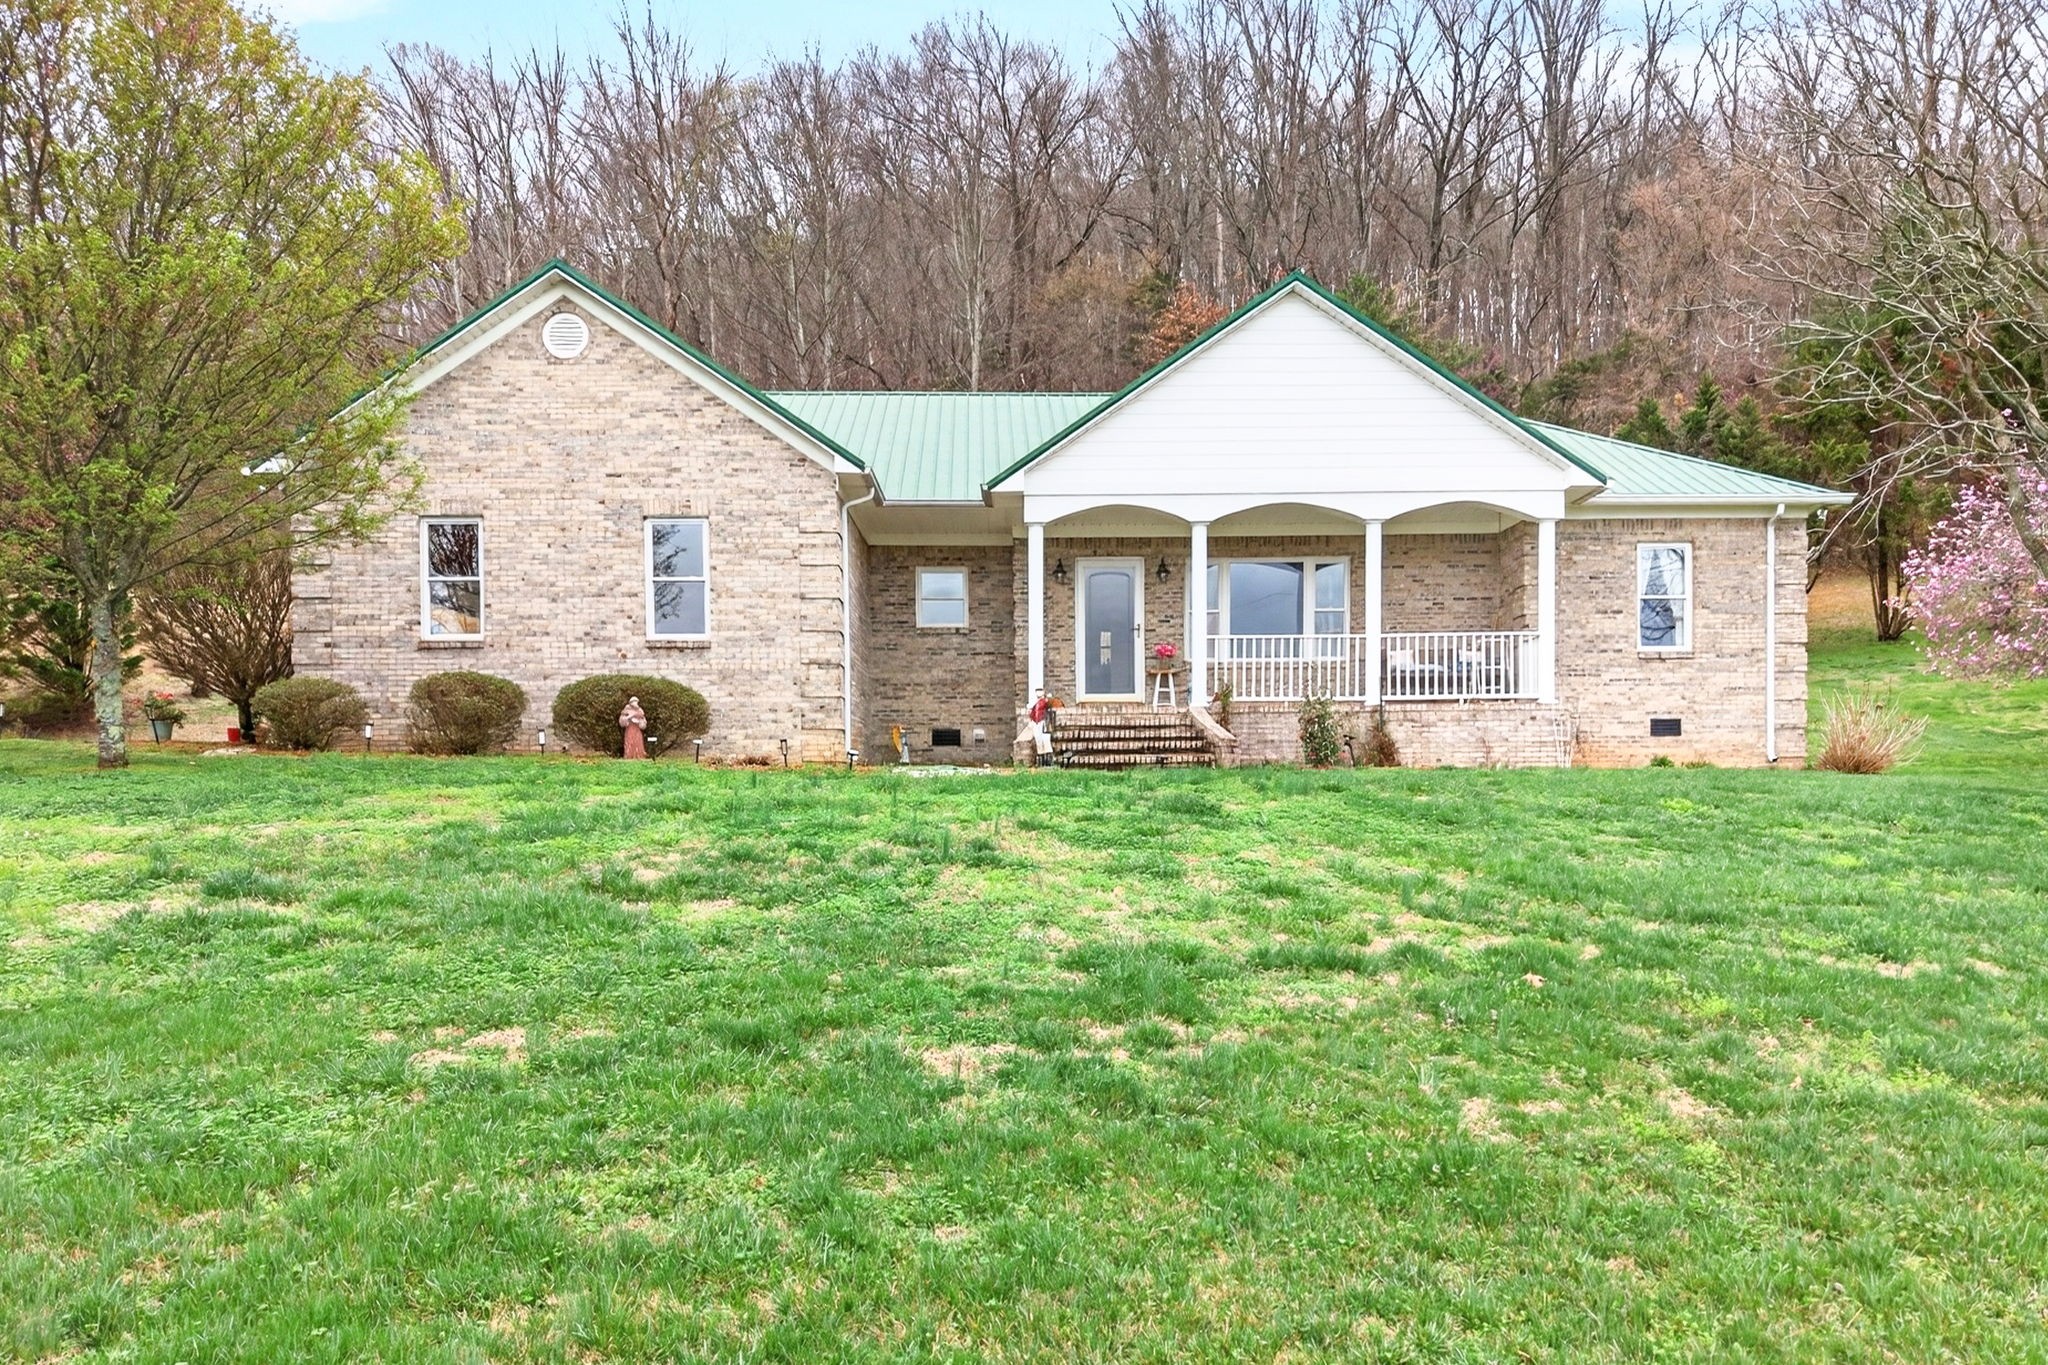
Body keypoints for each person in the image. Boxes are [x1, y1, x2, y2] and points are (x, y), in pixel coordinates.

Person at [619, 695, 648, 759]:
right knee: (630, 741)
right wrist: (629, 717)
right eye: (634, 702)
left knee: (638, 741)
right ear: (631, 702)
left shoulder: (640, 710)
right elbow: (622, 719)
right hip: (630, 728)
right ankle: (629, 755)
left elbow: (643, 719)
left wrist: (640, 722)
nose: (636, 703)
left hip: (637, 729)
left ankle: (639, 755)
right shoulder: (626, 709)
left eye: (637, 702)